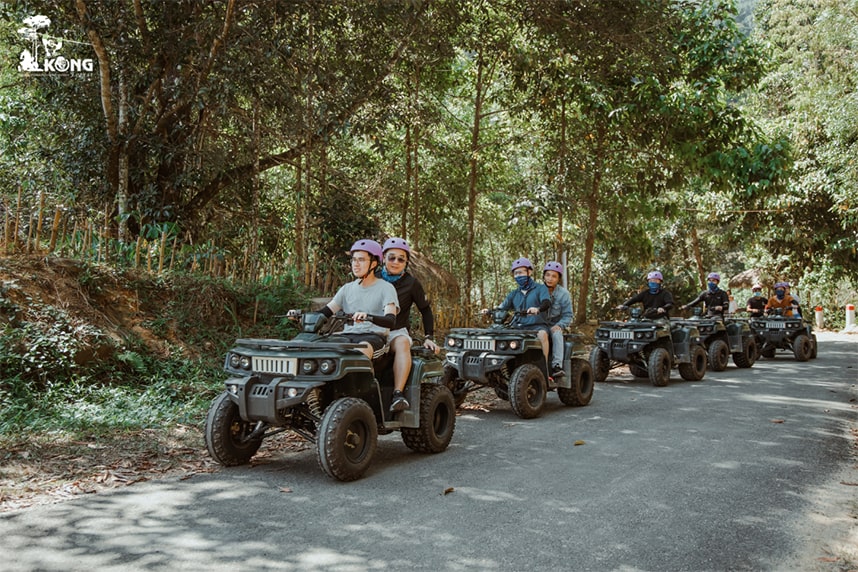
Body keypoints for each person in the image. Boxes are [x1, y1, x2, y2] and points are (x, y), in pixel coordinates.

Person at [378, 237, 439, 412]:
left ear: (406, 262)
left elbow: (425, 310)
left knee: (403, 343)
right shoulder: (372, 278)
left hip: (396, 331)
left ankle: (398, 394)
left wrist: (429, 337)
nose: (395, 262)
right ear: (383, 258)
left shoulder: (411, 283)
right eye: (391, 257)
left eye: (401, 259)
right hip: (371, 329)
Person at [320, 239, 399, 361]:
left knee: (357, 355)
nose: (356, 264)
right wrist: (300, 315)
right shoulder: (346, 289)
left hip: (373, 338)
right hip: (347, 336)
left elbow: (390, 320)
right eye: (354, 260)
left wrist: (368, 316)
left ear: (373, 264)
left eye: (361, 260)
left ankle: (364, 380)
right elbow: (325, 312)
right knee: (319, 349)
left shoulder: (386, 288)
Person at [487, 257, 552, 369]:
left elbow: (546, 303)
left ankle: (545, 367)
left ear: (529, 272)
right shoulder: (514, 293)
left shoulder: (541, 288)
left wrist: (538, 309)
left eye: (521, 272)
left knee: (543, 335)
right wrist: (489, 311)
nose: (518, 276)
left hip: (537, 326)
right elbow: (502, 307)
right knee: (496, 334)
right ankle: (496, 367)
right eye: (516, 273)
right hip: (517, 327)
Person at [542, 261, 573, 379]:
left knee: (556, 334)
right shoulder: (537, 290)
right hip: (539, 324)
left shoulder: (563, 294)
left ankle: (556, 366)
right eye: (548, 275)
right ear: (544, 276)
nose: (550, 279)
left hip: (554, 325)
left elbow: (568, 315)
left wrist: (560, 325)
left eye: (554, 276)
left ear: (558, 278)